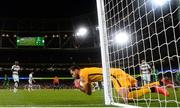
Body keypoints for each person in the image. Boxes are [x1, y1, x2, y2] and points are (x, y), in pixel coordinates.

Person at [70, 66, 170, 103]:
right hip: (117, 73)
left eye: (72, 73)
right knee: (136, 89)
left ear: (76, 70)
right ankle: (160, 82)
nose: (72, 75)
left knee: (127, 98)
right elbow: (89, 91)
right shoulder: (85, 72)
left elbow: (88, 93)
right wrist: (81, 87)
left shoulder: (82, 74)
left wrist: (79, 87)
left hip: (115, 75)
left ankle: (154, 89)